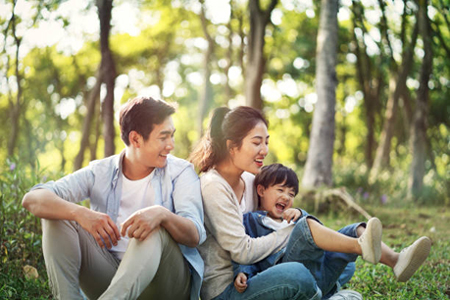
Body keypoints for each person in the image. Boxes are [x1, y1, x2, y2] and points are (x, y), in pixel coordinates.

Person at [22, 96, 206, 300]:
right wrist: (80, 213)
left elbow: (195, 234)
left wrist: (162, 215)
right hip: (110, 278)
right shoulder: (100, 172)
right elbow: (33, 198)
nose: (171, 145)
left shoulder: (181, 172)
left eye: (172, 136)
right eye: (163, 137)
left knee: (153, 227)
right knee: (57, 215)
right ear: (136, 139)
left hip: (165, 285)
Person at [190, 106, 358, 300]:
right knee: (297, 274)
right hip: (231, 289)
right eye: (256, 143)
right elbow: (243, 251)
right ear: (232, 146)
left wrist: (296, 220)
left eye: (266, 142)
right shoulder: (213, 186)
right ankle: (325, 294)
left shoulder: (251, 180)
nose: (264, 150)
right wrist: (294, 232)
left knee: (342, 261)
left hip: (263, 269)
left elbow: (275, 216)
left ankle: (319, 290)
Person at [233, 163, 431, 295]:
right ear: (261, 190)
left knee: (354, 230)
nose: (286, 197)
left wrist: (300, 213)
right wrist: (243, 272)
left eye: (291, 193)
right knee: (306, 227)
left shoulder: (294, 216)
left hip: (316, 274)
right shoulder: (251, 220)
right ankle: (360, 251)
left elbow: (318, 230)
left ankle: (396, 260)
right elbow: (246, 250)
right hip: (289, 273)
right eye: (280, 190)